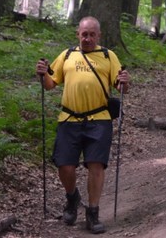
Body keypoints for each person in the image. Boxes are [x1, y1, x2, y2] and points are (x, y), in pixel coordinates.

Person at [36, 16, 130, 234]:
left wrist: (125, 81)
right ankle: (72, 197)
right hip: (69, 119)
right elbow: (50, 84)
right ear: (78, 34)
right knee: (64, 166)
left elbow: (121, 88)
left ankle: (93, 213)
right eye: (84, 34)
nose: (87, 38)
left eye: (92, 35)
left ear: (99, 36)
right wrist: (42, 74)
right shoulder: (67, 55)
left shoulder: (108, 56)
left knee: (96, 165)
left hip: (99, 119)